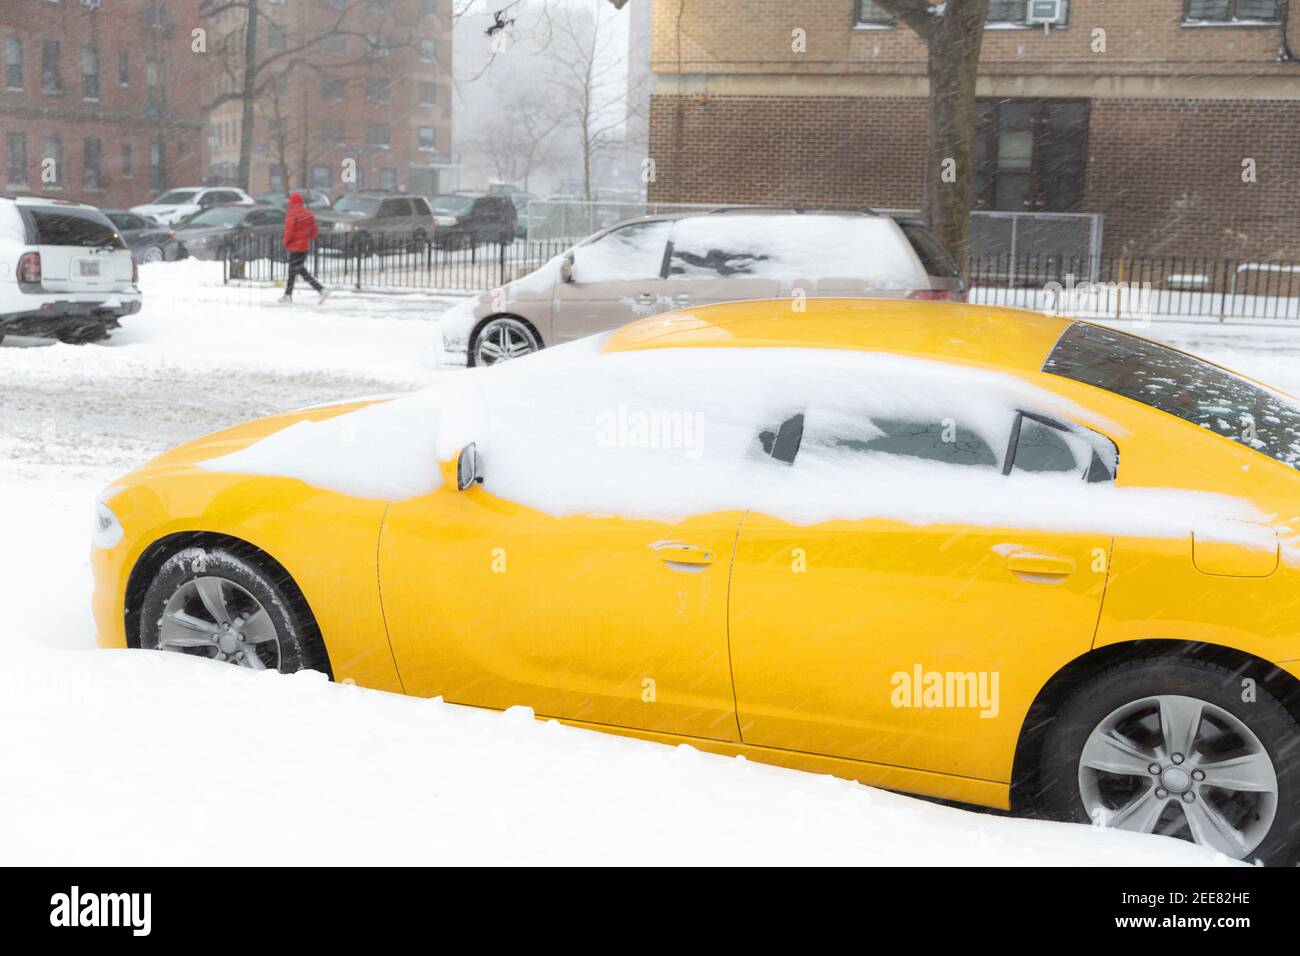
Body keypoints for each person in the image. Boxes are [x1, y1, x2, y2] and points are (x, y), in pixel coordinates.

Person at [280, 192, 328, 304]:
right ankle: (288, 294)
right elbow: (314, 232)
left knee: (298, 270)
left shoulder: (292, 214)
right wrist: (305, 238)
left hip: (295, 247)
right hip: (304, 246)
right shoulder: (308, 214)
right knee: (295, 270)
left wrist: (285, 242)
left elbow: (289, 231)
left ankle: (321, 289)